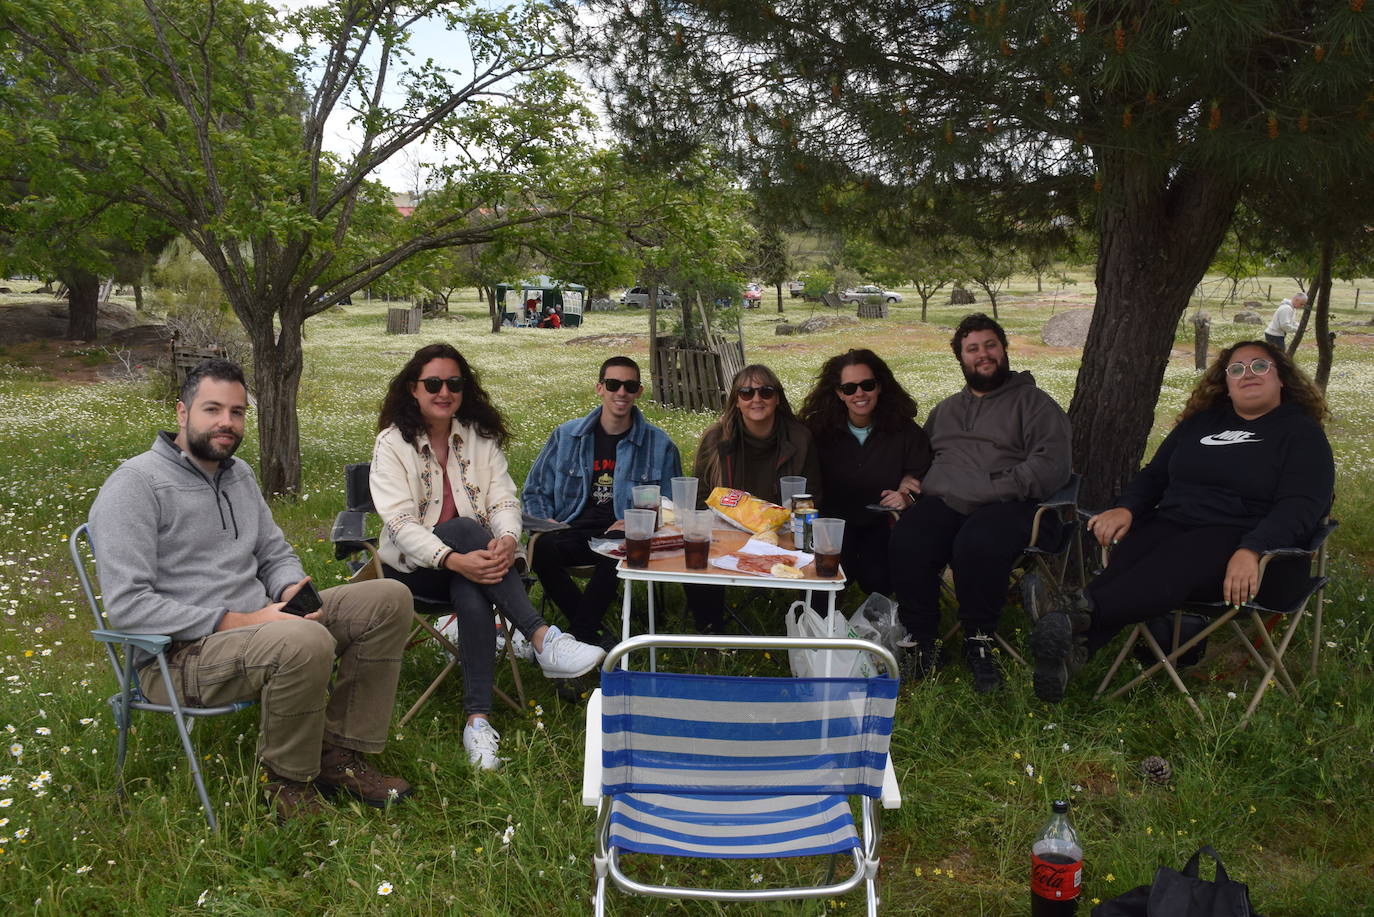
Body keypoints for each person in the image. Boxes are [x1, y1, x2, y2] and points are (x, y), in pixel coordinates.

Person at [88, 359, 414, 821]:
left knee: (388, 598)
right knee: (303, 640)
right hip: (176, 657)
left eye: (237, 412)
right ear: (182, 413)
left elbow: (272, 551)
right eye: (213, 409)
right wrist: (244, 621)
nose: (227, 422)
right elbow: (127, 606)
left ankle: (338, 756)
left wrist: (291, 589)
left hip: (262, 628)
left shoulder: (236, 474)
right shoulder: (136, 485)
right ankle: (288, 784)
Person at [1029, 340, 1335, 702]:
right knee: (1138, 547)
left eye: (1259, 366)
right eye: (1236, 369)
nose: (1247, 374)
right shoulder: (1201, 423)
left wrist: (1253, 548)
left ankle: (1071, 615)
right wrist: (1127, 507)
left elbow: (1301, 507)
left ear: (1281, 376)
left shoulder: (1301, 434)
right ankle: (1073, 646)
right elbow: (1155, 476)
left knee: (1182, 551)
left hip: (1255, 554)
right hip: (1175, 529)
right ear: (1226, 381)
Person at [369, 343, 605, 770]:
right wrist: (456, 557)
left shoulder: (479, 438)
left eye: (454, 383)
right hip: (413, 573)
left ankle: (477, 722)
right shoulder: (392, 443)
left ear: (465, 388)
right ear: (413, 389)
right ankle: (541, 636)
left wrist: (507, 538)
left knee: (473, 586)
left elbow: (503, 501)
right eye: (434, 383)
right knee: (462, 529)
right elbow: (402, 525)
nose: (445, 391)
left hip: (477, 571)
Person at [887, 313, 1072, 692]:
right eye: (973, 349)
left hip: (1011, 503)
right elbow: (923, 459)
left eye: (990, 345)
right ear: (961, 359)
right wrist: (911, 480)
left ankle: (980, 644)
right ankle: (924, 642)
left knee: (978, 542)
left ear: (1003, 350)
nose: (983, 355)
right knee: (909, 538)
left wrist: (994, 486)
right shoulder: (946, 410)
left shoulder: (1034, 404)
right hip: (946, 503)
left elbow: (1051, 465)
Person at [522, 356, 683, 649]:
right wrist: (545, 523)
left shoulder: (660, 445)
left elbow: (672, 506)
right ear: (600, 388)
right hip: (571, 528)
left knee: (619, 546)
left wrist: (640, 522)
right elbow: (534, 491)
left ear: (639, 391)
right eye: (613, 384)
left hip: (624, 535)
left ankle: (577, 639)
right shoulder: (566, 436)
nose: (621, 392)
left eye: (629, 385)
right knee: (541, 546)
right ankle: (590, 631)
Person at [686, 364, 821, 632]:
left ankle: (810, 634)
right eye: (746, 392)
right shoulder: (716, 438)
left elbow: (813, 495)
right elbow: (701, 497)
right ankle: (710, 635)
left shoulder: (800, 438)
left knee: (821, 558)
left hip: (785, 533)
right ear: (736, 400)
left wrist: (789, 532)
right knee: (695, 557)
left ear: (777, 398)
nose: (756, 399)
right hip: (726, 531)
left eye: (765, 392)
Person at [798, 349, 932, 611]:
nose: (859, 394)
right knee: (825, 575)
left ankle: (880, 637)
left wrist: (907, 495)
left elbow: (923, 476)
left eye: (867, 385)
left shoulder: (905, 431)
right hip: (831, 523)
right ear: (839, 393)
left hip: (881, 523)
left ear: (879, 387)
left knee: (878, 576)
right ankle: (817, 638)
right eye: (849, 388)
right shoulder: (819, 430)